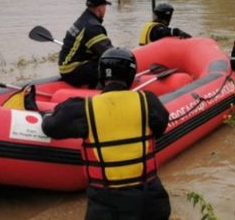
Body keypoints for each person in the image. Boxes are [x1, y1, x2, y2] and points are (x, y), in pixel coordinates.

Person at [42, 48, 171, 220]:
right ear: (131, 74)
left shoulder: (83, 109)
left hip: (108, 207)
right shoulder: (148, 101)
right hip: (152, 202)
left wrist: (44, 113)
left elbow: (51, 127)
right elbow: (160, 127)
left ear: (101, 75)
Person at [58, 0, 114, 88]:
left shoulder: (84, 19)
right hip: (72, 70)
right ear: (100, 9)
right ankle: (103, 91)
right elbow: (108, 52)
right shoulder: (93, 27)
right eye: (105, 7)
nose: (105, 10)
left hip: (66, 67)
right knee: (112, 66)